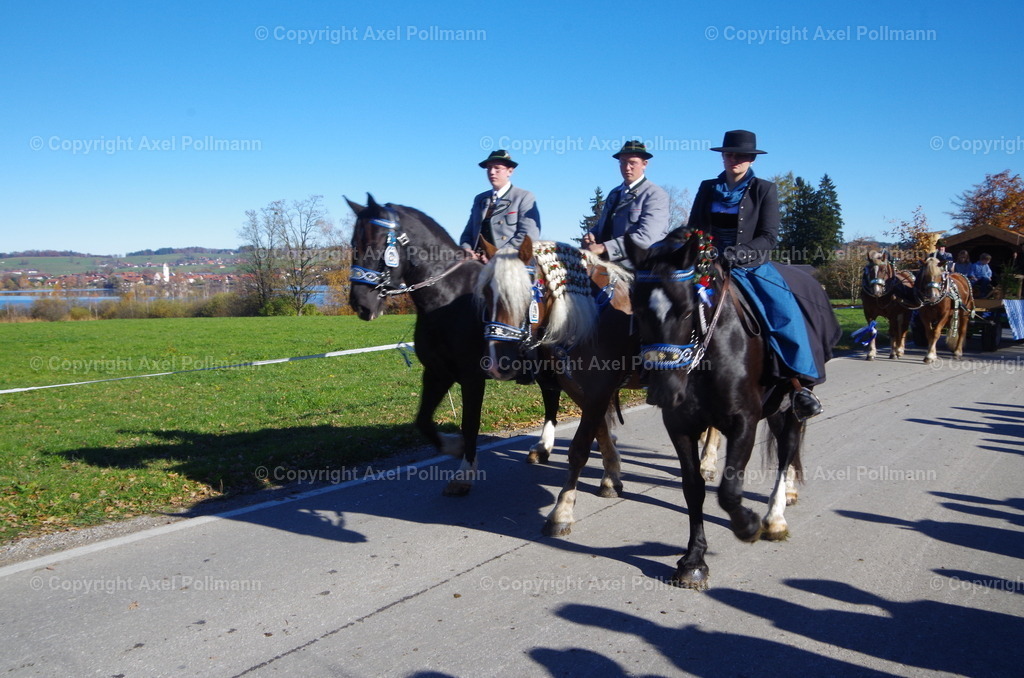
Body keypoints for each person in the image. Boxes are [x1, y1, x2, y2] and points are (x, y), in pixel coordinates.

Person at [688, 130, 838, 421]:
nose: (734, 159)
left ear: (751, 159)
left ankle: (799, 384)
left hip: (750, 265)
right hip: (708, 264)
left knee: (784, 315)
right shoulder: (707, 187)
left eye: (741, 155)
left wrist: (737, 253)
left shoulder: (764, 189)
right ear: (723, 156)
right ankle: (659, 370)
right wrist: (701, 252)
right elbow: (696, 228)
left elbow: (769, 237)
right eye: (729, 153)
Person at [582, 140, 669, 268]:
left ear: (645, 164)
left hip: (640, 268)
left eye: (633, 163)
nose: (627, 168)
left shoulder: (655, 194)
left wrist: (603, 247)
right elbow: (603, 224)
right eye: (623, 162)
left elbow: (647, 237)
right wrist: (592, 234)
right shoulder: (614, 193)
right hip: (605, 265)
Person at [460, 149, 541, 261]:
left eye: (497, 168)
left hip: (509, 262)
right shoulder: (479, 199)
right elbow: (468, 233)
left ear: (510, 171)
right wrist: (467, 251)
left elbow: (528, 235)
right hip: (477, 262)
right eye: (489, 168)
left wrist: (497, 255)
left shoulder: (523, 197)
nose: (492, 172)